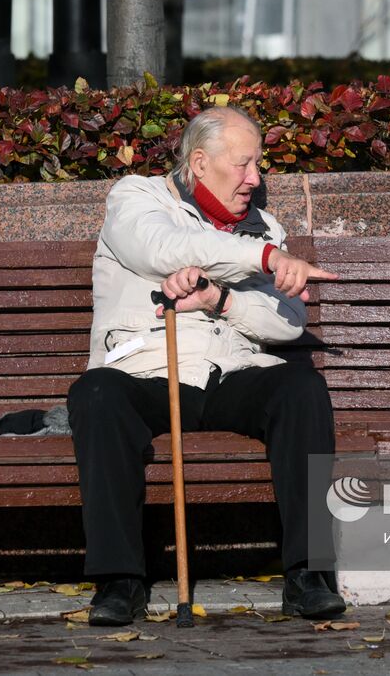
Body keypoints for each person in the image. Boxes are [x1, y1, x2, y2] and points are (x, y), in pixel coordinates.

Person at [67, 105, 346, 626]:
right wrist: (263, 259)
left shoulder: (265, 227)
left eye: (257, 166)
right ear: (199, 163)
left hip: (229, 373)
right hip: (144, 372)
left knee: (300, 387)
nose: (254, 179)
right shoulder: (138, 197)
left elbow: (286, 322)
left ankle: (308, 573)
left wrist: (222, 300)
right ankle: (118, 581)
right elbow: (165, 247)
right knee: (95, 395)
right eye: (243, 165)